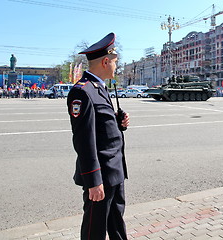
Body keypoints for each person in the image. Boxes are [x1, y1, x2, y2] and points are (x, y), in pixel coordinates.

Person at [67, 32, 130, 240]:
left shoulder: (99, 88)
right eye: (115, 61)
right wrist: (94, 181)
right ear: (105, 61)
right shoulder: (82, 91)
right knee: (94, 231)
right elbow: (84, 140)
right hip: (101, 176)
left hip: (114, 171)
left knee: (117, 224)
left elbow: (101, 127)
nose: (116, 66)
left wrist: (118, 123)